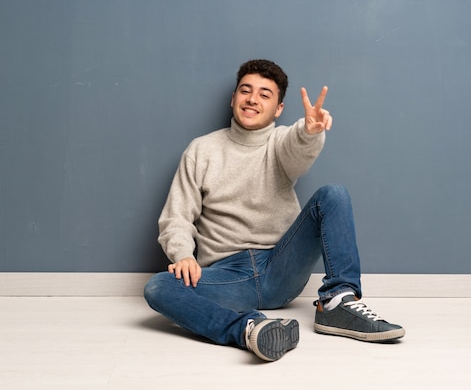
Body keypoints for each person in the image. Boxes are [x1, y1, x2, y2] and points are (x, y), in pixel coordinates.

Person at [144, 59, 405, 362]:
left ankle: (336, 304)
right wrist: (183, 255)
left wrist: (309, 132)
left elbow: (297, 150)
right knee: (158, 287)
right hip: (228, 277)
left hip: (282, 265)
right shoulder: (201, 150)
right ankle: (250, 329)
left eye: (265, 95)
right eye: (246, 91)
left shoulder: (281, 141)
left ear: (279, 109)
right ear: (234, 99)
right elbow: (177, 216)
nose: (253, 99)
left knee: (333, 195)